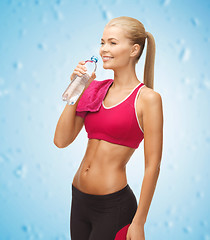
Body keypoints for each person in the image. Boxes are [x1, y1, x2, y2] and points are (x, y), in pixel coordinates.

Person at [54, 16, 163, 240]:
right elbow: (61, 140)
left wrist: (139, 221)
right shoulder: (94, 89)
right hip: (79, 199)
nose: (104, 49)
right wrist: (76, 88)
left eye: (112, 43)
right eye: (102, 42)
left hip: (113, 207)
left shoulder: (147, 99)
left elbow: (152, 166)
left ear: (134, 50)